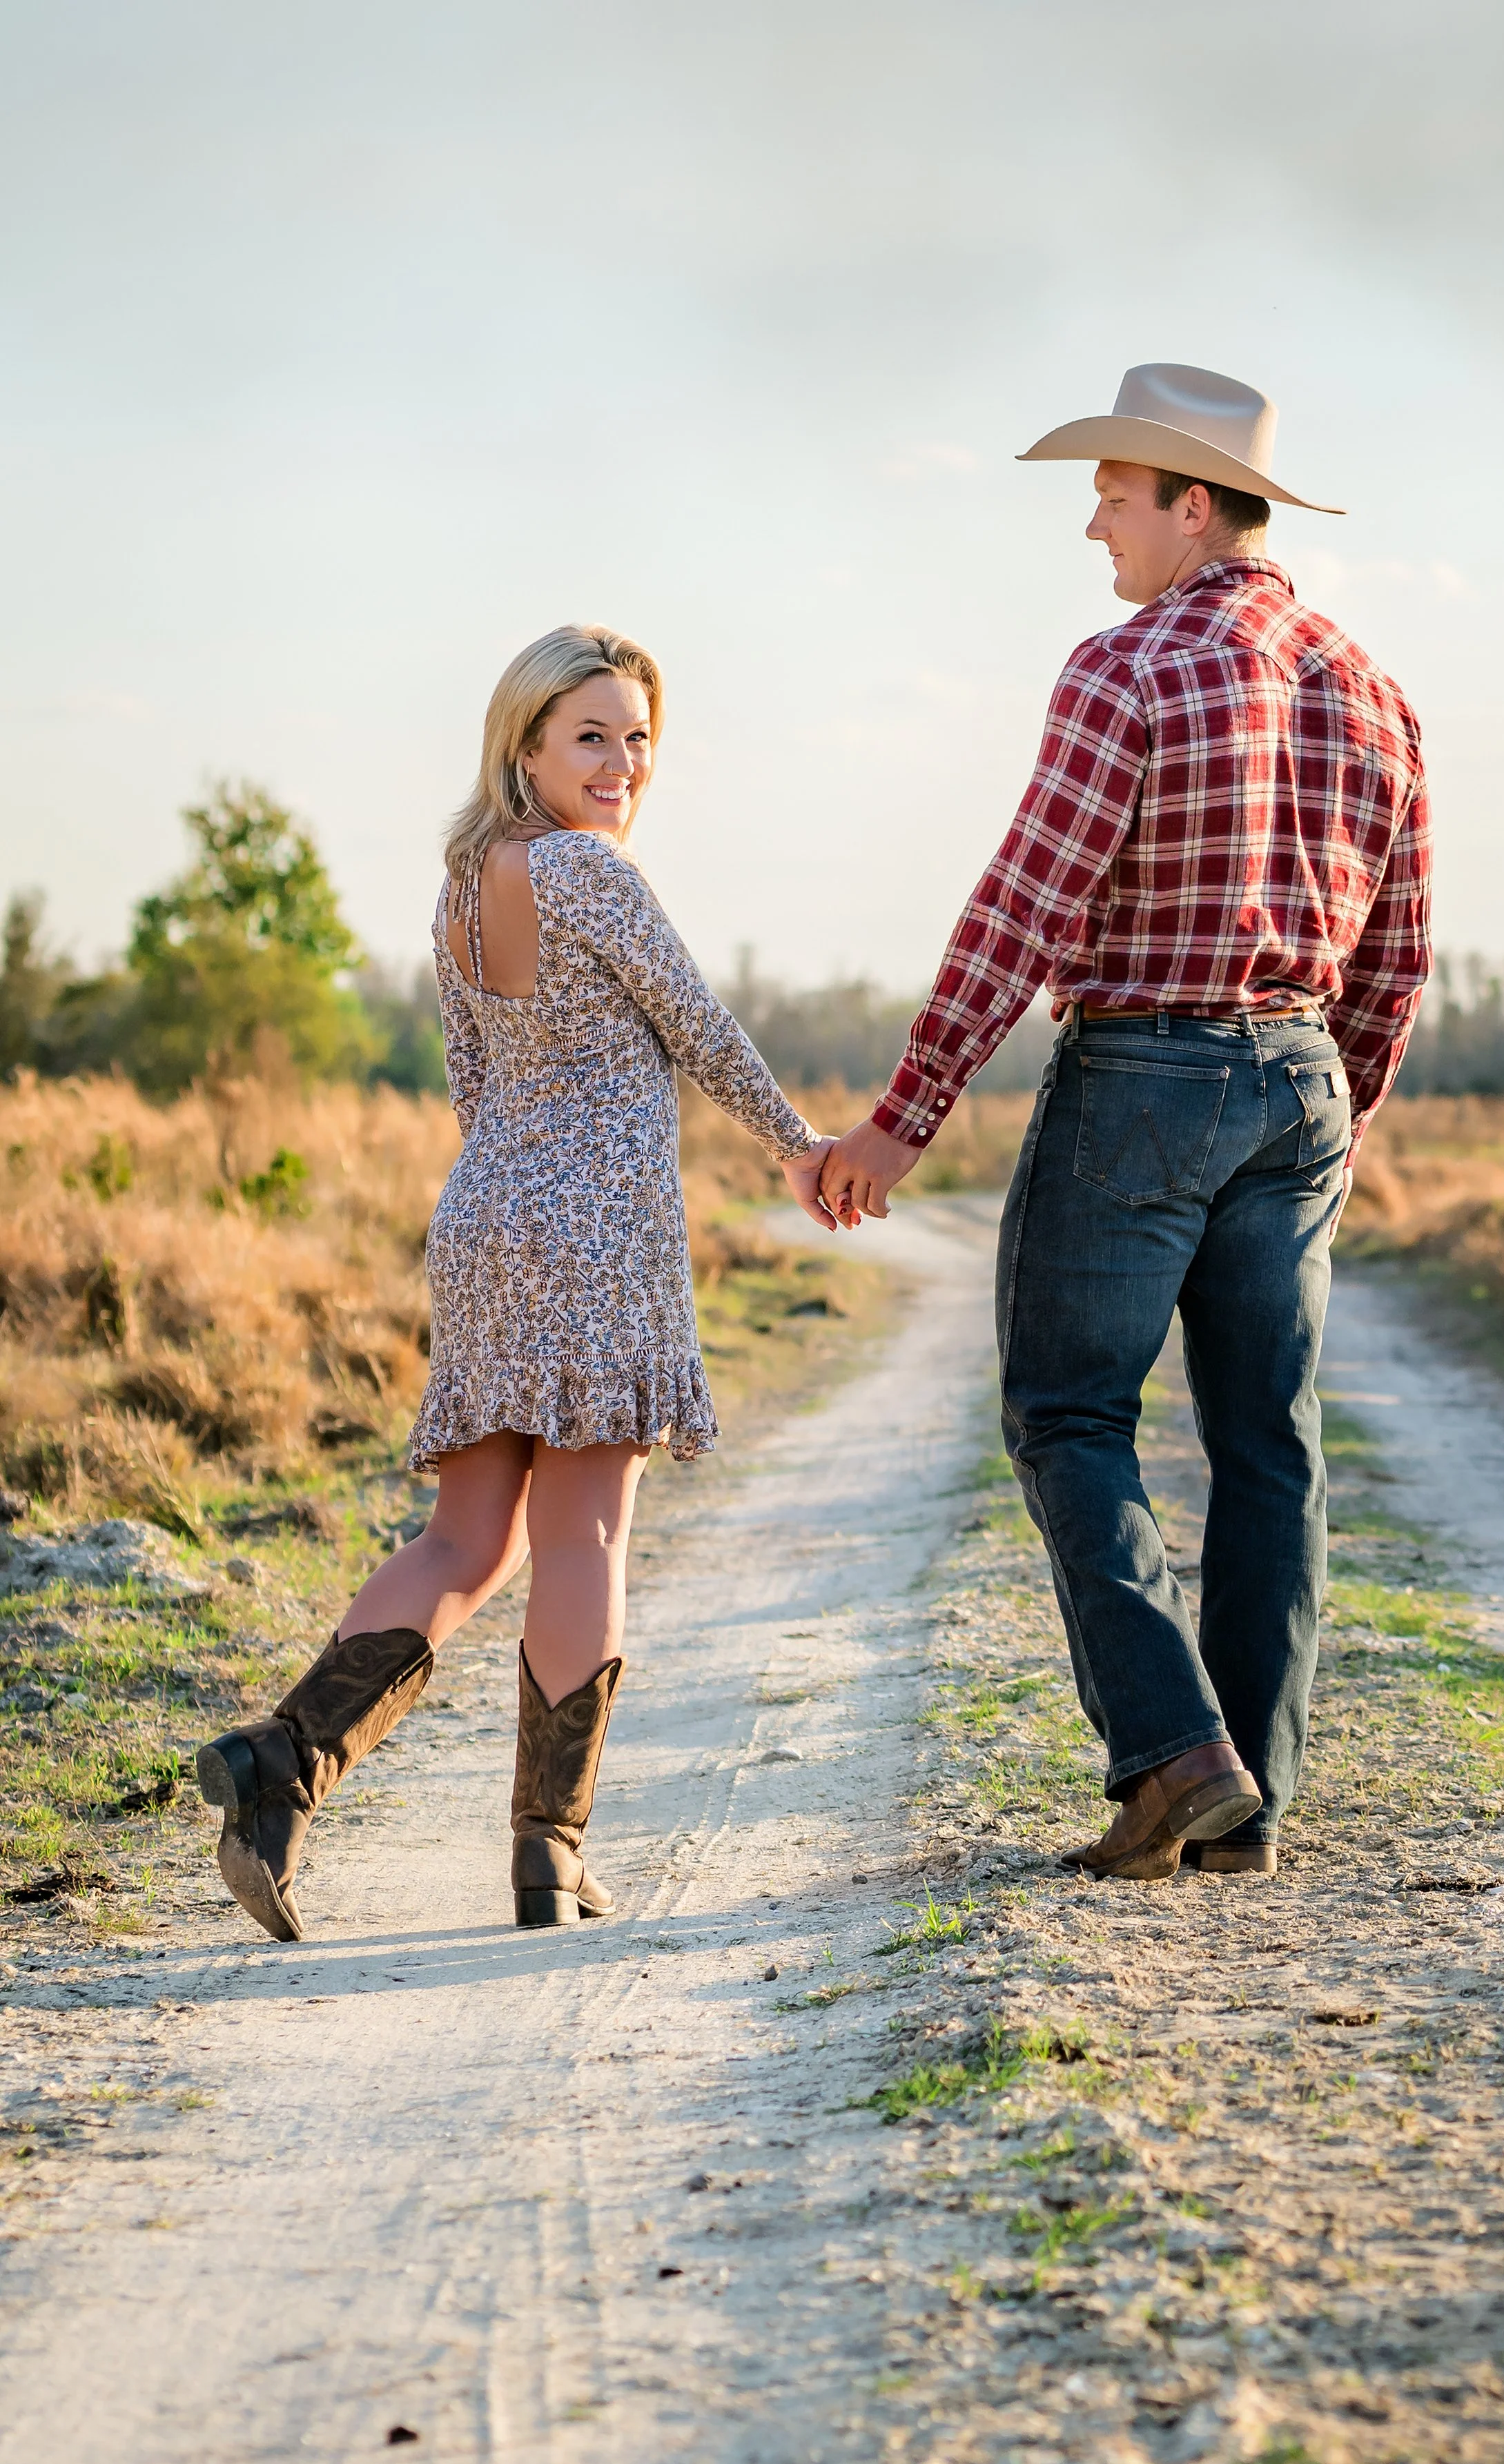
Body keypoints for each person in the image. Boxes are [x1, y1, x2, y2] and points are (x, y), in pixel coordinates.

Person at [821, 364, 1431, 1882]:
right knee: (1265, 1442)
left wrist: (906, 1115)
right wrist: (1331, 1117)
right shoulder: (1373, 688)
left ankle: (1174, 1753)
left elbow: (1027, 899)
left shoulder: (1127, 668)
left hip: (1143, 1071)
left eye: (1110, 488)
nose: (1091, 519)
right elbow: (1398, 953)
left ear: (1188, 503)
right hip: (1299, 1080)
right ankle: (1248, 1806)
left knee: (1070, 1414)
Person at [196, 624, 836, 1941]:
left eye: (639, 737)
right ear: (526, 744)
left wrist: (521, 1180)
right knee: (586, 1531)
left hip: (485, 1217)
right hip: (597, 1229)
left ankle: (282, 1764)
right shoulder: (588, 872)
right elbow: (701, 1028)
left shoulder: (459, 884)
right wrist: (799, 1146)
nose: (621, 763)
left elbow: (470, 1084)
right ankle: (548, 1851)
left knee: (464, 1540)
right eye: (590, 735)